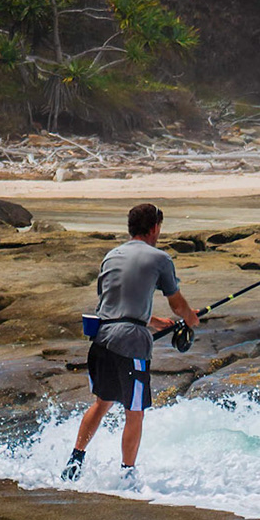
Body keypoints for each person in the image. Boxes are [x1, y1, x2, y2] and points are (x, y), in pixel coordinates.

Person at [64, 202, 198, 483]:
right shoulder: (160, 258)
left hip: (101, 339)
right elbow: (178, 305)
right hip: (131, 343)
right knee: (134, 411)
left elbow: (114, 304)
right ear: (155, 228)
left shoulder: (111, 256)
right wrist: (191, 318)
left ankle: (75, 461)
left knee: (102, 402)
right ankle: (128, 476)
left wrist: (153, 321)